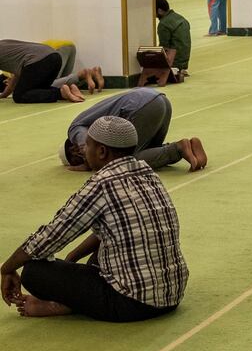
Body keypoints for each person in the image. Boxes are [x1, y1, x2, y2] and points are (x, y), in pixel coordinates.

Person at [1, 115, 189, 321]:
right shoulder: (148, 173)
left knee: (33, 270)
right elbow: (115, 230)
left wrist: (7, 268)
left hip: (131, 304)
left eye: (87, 145)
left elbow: (51, 236)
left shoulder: (102, 183)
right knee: (103, 252)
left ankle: (66, 305)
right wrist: (71, 260)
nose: (83, 150)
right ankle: (72, 301)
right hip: (172, 296)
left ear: (101, 151)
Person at [60, 89, 207, 172]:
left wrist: (86, 161)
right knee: (150, 150)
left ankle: (179, 149)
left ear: (72, 149)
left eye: (76, 159)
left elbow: (83, 144)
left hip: (142, 107)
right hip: (159, 100)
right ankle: (190, 146)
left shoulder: (75, 129)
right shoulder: (97, 129)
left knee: (124, 162)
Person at [0, 40, 91, 104]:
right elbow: (18, 75)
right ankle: (70, 90)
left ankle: (60, 94)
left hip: (39, 61)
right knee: (38, 90)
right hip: (55, 57)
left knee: (20, 96)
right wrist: (4, 94)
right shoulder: (5, 45)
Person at [155, 0, 192, 77]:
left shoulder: (164, 24)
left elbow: (164, 47)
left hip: (174, 63)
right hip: (184, 63)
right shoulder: (181, 18)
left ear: (159, 11)